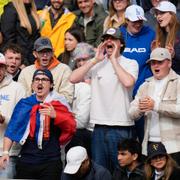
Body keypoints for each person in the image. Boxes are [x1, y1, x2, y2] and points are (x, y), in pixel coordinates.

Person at [70, 27, 138, 171]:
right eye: (106, 39)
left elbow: (128, 82)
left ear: (121, 44)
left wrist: (113, 59)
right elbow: (73, 78)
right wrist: (95, 59)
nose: (109, 41)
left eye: (113, 39)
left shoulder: (130, 63)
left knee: (120, 171)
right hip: (99, 126)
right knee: (100, 171)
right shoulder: (97, 63)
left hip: (122, 125)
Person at [0, 69, 76, 180]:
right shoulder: (25, 103)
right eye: (37, 79)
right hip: (27, 159)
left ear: (51, 85)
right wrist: (6, 152)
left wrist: (56, 116)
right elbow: (12, 129)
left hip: (50, 160)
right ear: (32, 84)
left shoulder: (59, 102)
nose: (40, 82)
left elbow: (71, 127)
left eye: (44, 80)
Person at [129, 47, 180, 165]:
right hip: (150, 144)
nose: (156, 66)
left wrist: (155, 106)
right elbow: (131, 113)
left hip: (174, 146)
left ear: (170, 63)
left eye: (160, 62)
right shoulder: (145, 85)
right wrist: (140, 109)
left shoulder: (178, 82)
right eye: (153, 62)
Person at [120, 4, 155, 143]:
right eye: (134, 21)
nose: (138, 24)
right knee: (125, 139)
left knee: (144, 136)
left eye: (140, 21)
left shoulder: (150, 33)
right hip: (122, 93)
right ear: (127, 20)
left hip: (143, 92)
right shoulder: (118, 34)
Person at [18, 37, 74, 104]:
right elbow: (20, 98)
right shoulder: (25, 72)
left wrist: (45, 103)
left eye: (48, 51)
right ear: (35, 54)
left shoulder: (64, 70)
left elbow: (67, 98)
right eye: (41, 51)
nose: (45, 55)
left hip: (55, 111)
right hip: (30, 111)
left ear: (53, 52)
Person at [65, 42, 95, 157]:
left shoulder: (98, 75)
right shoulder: (73, 79)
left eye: (84, 59)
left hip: (93, 130)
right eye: (78, 60)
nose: (81, 63)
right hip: (77, 131)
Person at [0, 53, 26, 178]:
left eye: (1, 67)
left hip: (8, 153)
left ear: (5, 69)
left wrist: (3, 119)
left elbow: (23, 123)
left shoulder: (17, 88)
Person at [0, 0, 40, 65]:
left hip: (32, 59)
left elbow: (35, 37)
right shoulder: (10, 9)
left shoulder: (32, 9)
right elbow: (8, 40)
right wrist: (21, 62)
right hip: (18, 61)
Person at [152, 1, 180, 75]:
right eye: (157, 13)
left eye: (162, 13)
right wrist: (154, 54)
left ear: (172, 14)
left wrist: (174, 55)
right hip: (164, 80)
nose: (158, 16)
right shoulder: (159, 35)